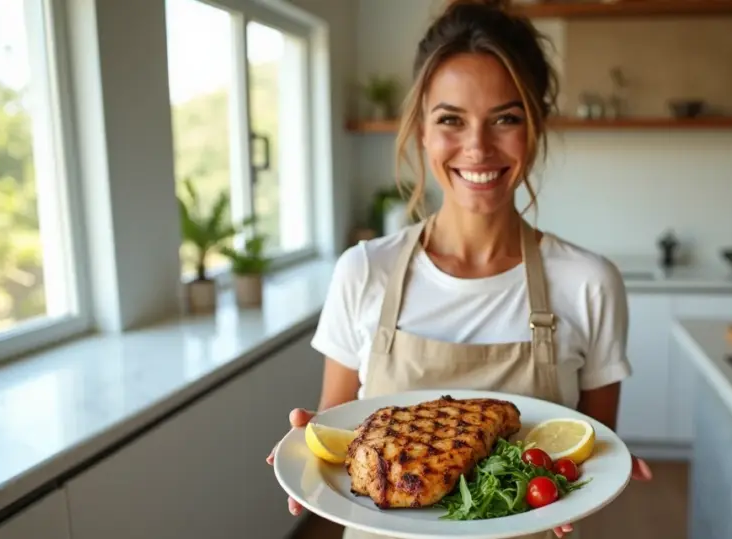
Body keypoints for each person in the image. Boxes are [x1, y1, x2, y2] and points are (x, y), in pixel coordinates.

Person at [265, 0, 653, 537]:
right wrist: (306, 455)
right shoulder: (363, 271)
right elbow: (334, 435)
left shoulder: (589, 282)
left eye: (506, 118)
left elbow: (589, 445)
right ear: (421, 129)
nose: (478, 147)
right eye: (451, 119)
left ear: (534, 128)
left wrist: (592, 477)